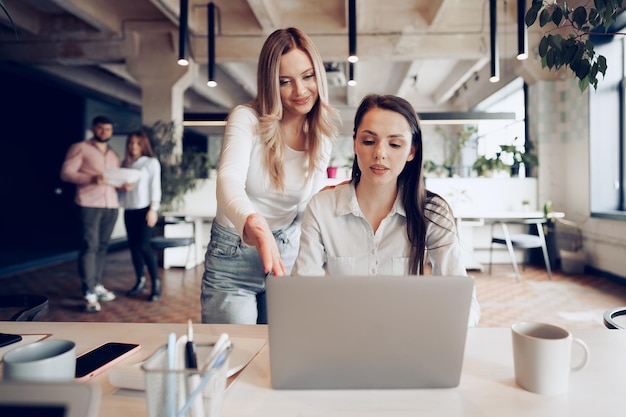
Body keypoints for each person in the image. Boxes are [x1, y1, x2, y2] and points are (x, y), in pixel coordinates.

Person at [292, 94, 481, 326]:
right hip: (343, 338)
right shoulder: (322, 207)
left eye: (394, 144)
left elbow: (463, 301)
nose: (380, 153)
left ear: (412, 151)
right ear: (355, 143)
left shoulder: (432, 212)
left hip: (408, 340)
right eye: (369, 141)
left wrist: (445, 328)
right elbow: (301, 295)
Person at [201, 27, 339, 324]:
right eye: (284, 82)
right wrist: (254, 223)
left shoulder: (322, 134)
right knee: (236, 359)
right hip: (233, 253)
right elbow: (228, 182)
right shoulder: (246, 119)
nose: (300, 91)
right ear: (269, 85)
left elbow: (309, 205)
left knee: (280, 355)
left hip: (286, 251)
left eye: (307, 76)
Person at [60, 115, 122, 313]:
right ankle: (88, 291)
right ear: (94, 129)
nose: (105, 133)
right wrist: (92, 178)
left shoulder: (113, 154)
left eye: (109, 129)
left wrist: (123, 184)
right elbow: (66, 173)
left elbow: (113, 179)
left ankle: (96, 284)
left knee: (102, 247)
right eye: (102, 129)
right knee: (89, 246)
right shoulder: (80, 147)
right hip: (89, 203)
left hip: (111, 205)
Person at [118, 130, 162, 302]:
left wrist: (154, 209)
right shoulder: (126, 164)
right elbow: (120, 189)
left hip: (145, 210)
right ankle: (140, 282)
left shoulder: (151, 163)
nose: (133, 146)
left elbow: (155, 187)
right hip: (129, 211)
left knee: (144, 246)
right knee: (134, 248)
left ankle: (156, 284)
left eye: (137, 143)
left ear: (143, 145)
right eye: (130, 143)